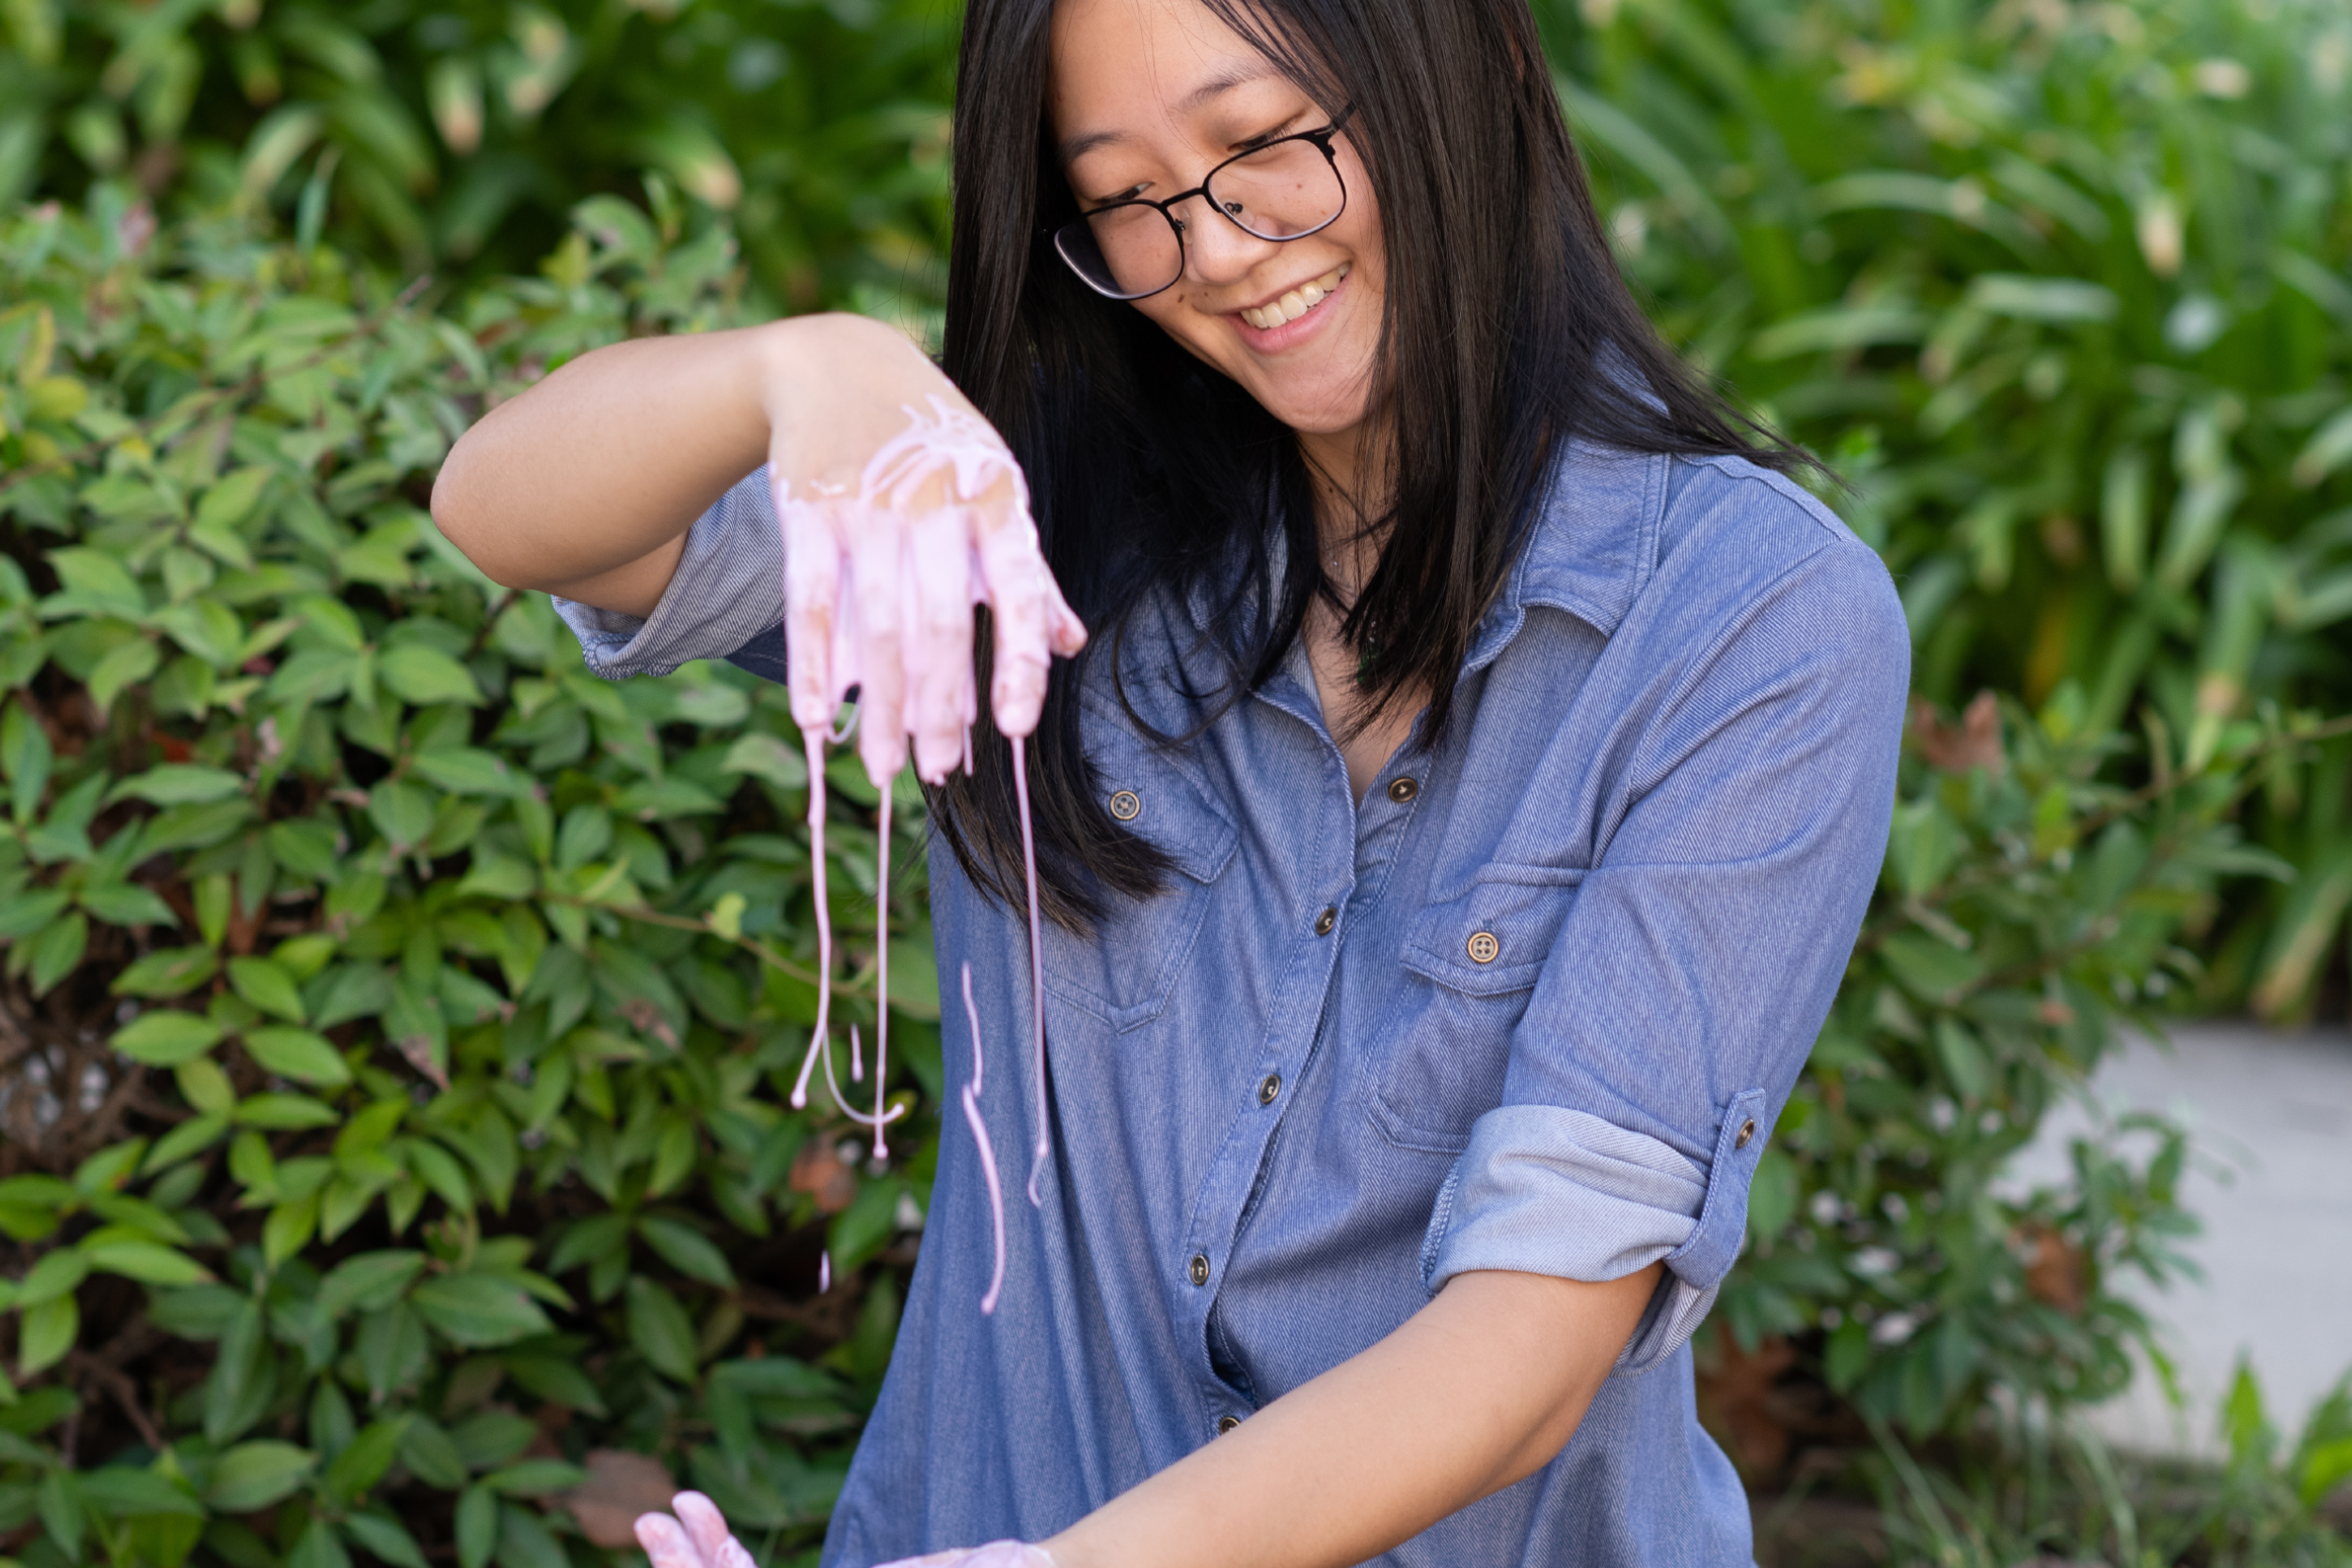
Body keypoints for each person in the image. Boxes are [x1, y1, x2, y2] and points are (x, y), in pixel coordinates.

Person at [430, 0, 1910, 1563]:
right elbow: (510, 511)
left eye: (1263, 143)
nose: (1211, 248)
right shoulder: (1035, 521)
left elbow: (1530, 1336)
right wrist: (797, 371)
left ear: (1450, 85)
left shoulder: (1751, 617)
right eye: (1127, 197)